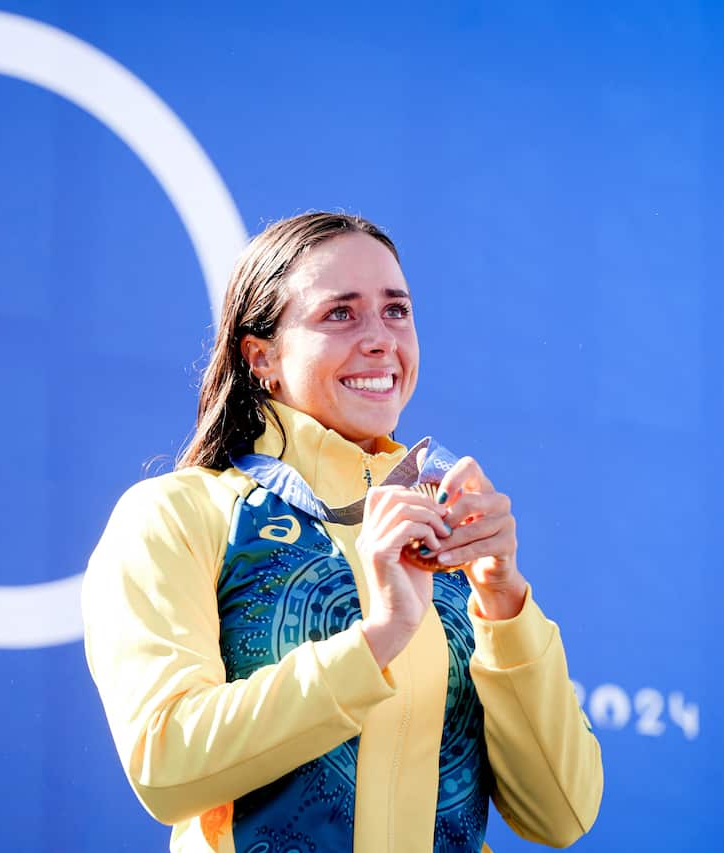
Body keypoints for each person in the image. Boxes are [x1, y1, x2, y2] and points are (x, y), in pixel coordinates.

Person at [83, 212, 603, 852]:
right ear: (262, 356)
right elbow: (166, 766)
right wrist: (378, 636)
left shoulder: (447, 532)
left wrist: (504, 600)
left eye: (396, 311)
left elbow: (563, 813)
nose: (381, 339)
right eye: (340, 314)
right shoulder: (178, 514)